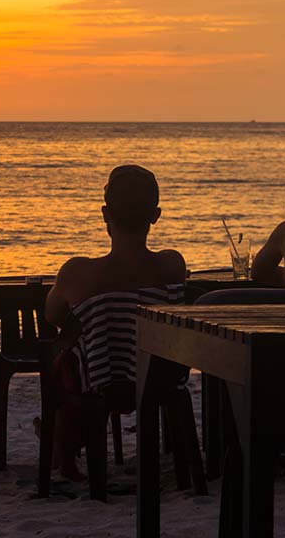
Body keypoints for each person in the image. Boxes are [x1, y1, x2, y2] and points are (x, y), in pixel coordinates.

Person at [42, 165, 186, 480]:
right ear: (156, 215)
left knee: (66, 357)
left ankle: (64, 448)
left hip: (98, 381)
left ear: (105, 214)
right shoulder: (172, 265)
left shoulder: (78, 273)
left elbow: (52, 316)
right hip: (159, 380)